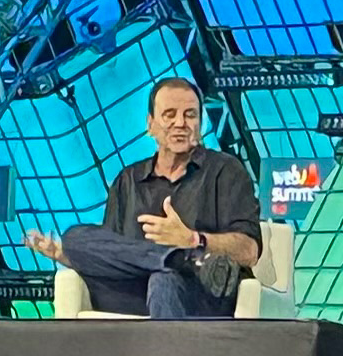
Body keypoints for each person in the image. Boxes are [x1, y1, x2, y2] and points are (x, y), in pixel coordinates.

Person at [19, 77, 261, 320]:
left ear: (200, 123)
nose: (180, 123)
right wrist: (63, 254)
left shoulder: (225, 171)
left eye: (190, 115)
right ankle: (175, 259)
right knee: (73, 237)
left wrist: (192, 239)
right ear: (150, 124)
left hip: (198, 292)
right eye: (169, 115)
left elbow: (249, 251)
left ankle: (173, 264)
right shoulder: (128, 180)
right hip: (133, 291)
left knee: (163, 280)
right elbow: (113, 254)